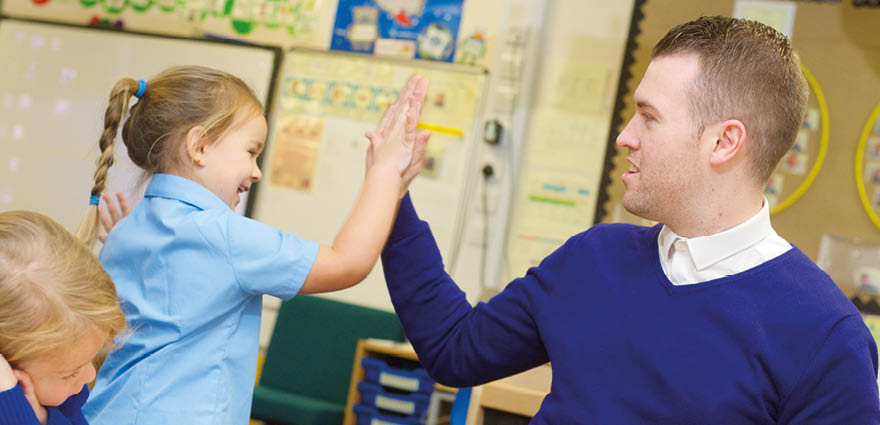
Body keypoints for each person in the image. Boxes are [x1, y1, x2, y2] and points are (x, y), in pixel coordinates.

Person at [379, 16, 880, 423]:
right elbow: (454, 349)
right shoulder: (595, 257)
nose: (625, 135)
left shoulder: (823, 336)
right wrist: (390, 192)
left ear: (725, 142)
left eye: (650, 116)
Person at [78, 66, 430, 424]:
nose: (256, 171)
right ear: (199, 146)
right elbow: (346, 263)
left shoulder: (126, 231)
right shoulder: (223, 236)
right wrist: (384, 173)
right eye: (251, 151)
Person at [0, 211, 126, 425]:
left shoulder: (63, 400)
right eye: (70, 374)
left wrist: (43, 417)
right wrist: (14, 408)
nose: (90, 375)